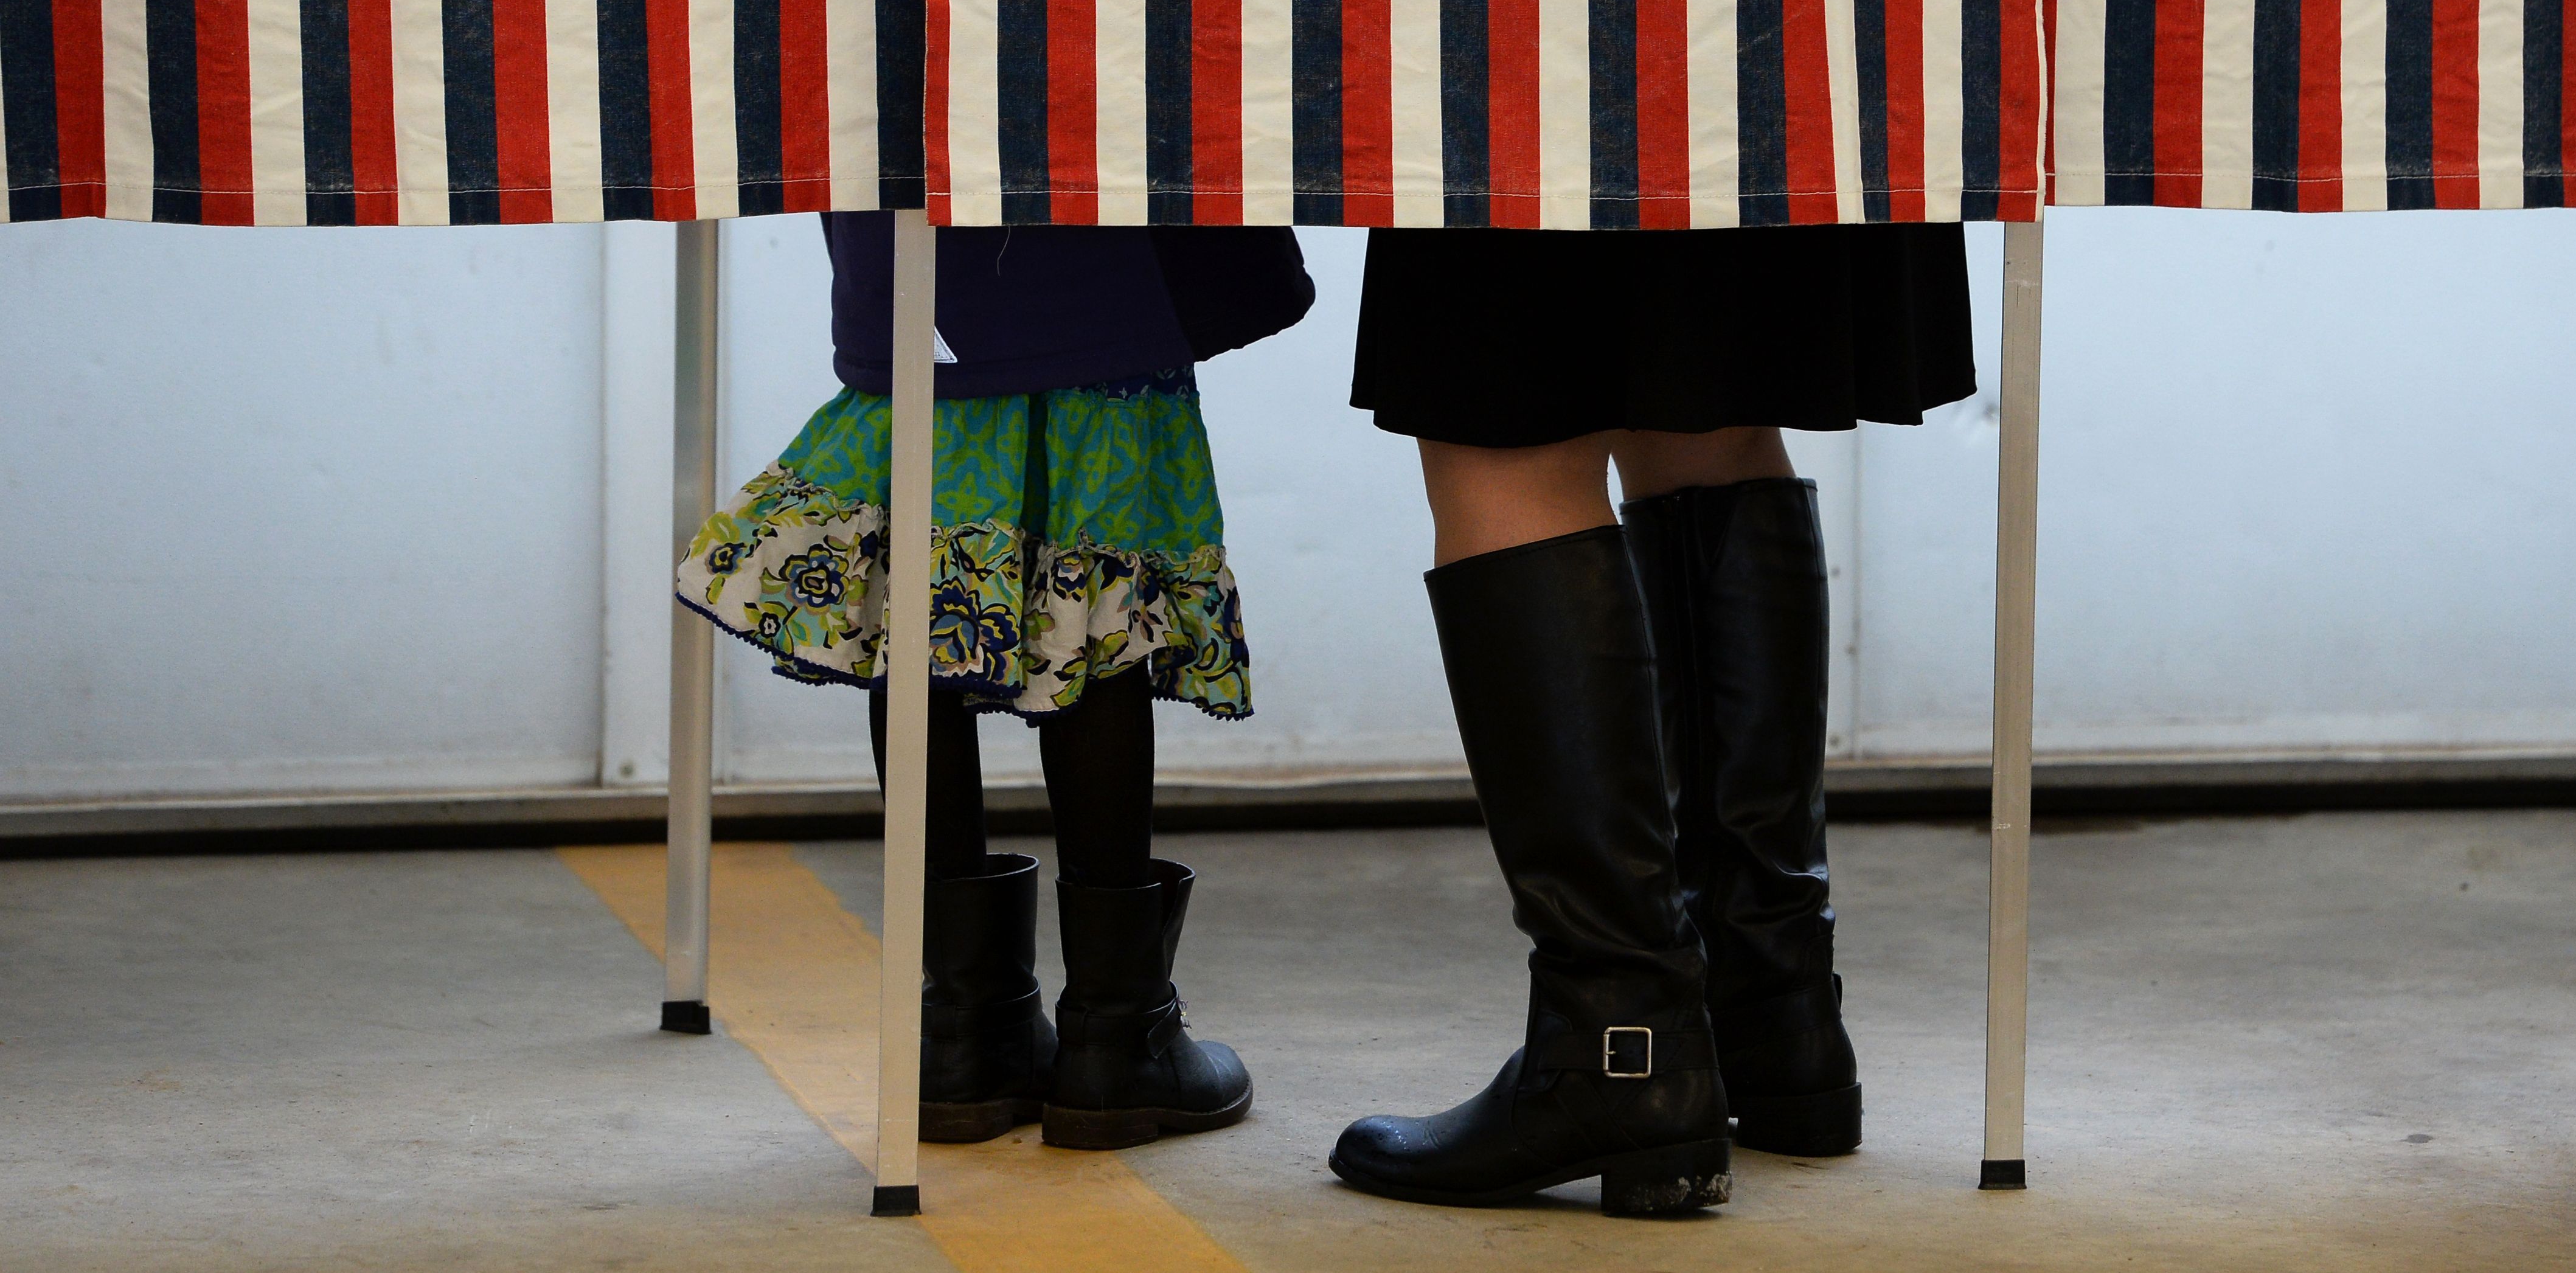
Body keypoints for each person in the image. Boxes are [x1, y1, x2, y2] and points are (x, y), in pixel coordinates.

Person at [1328, 224, 1976, 1216]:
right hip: (1778, 119)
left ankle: (1621, 1044)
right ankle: (1771, 1008)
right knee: (1706, 387)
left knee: (1504, 419)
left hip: (1548, 117)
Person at [678, 217, 1311, 1150]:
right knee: (1097, 619)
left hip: (923, 273)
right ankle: (1118, 1038)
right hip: (1089, 266)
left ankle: (967, 1031)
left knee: (922, 612)